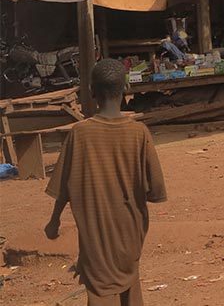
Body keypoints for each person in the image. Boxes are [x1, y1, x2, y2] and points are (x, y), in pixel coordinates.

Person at [45, 59, 167, 305]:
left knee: (100, 290)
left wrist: (54, 221)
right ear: (125, 90)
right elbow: (155, 191)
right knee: (130, 286)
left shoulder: (79, 134)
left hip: (95, 231)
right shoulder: (139, 133)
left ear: (91, 92)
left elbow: (64, 188)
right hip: (130, 230)